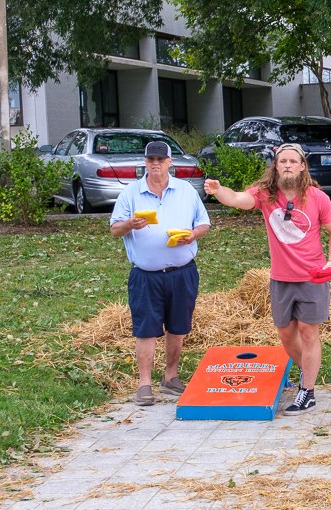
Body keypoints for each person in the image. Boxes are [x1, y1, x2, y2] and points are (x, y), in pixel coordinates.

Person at [205, 143, 331, 415]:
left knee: (308, 331)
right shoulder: (266, 195)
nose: (288, 165)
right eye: (283, 161)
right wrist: (219, 191)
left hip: (312, 277)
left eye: (294, 161)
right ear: (276, 166)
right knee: (285, 334)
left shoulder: (317, 197)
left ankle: (308, 391)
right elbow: (238, 200)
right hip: (280, 278)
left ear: (303, 166)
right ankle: (307, 374)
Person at [110, 141, 211, 407]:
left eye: (160, 160)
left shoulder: (186, 190)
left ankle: (171, 377)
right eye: (151, 159)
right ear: (145, 162)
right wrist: (130, 224)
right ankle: (144, 384)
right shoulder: (131, 193)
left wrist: (191, 236)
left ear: (170, 163)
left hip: (182, 272)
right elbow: (114, 228)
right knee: (145, 328)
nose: (155, 164)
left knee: (177, 326)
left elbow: (203, 223)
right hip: (146, 274)